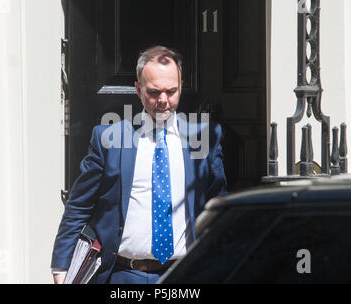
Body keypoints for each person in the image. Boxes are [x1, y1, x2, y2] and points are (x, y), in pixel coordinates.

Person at [51, 46, 228, 284]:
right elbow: (78, 207)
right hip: (124, 275)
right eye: (154, 92)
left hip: (185, 274)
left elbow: (218, 205)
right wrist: (60, 266)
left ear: (181, 86)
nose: (163, 100)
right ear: (138, 89)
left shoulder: (204, 137)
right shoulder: (109, 139)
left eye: (171, 91)